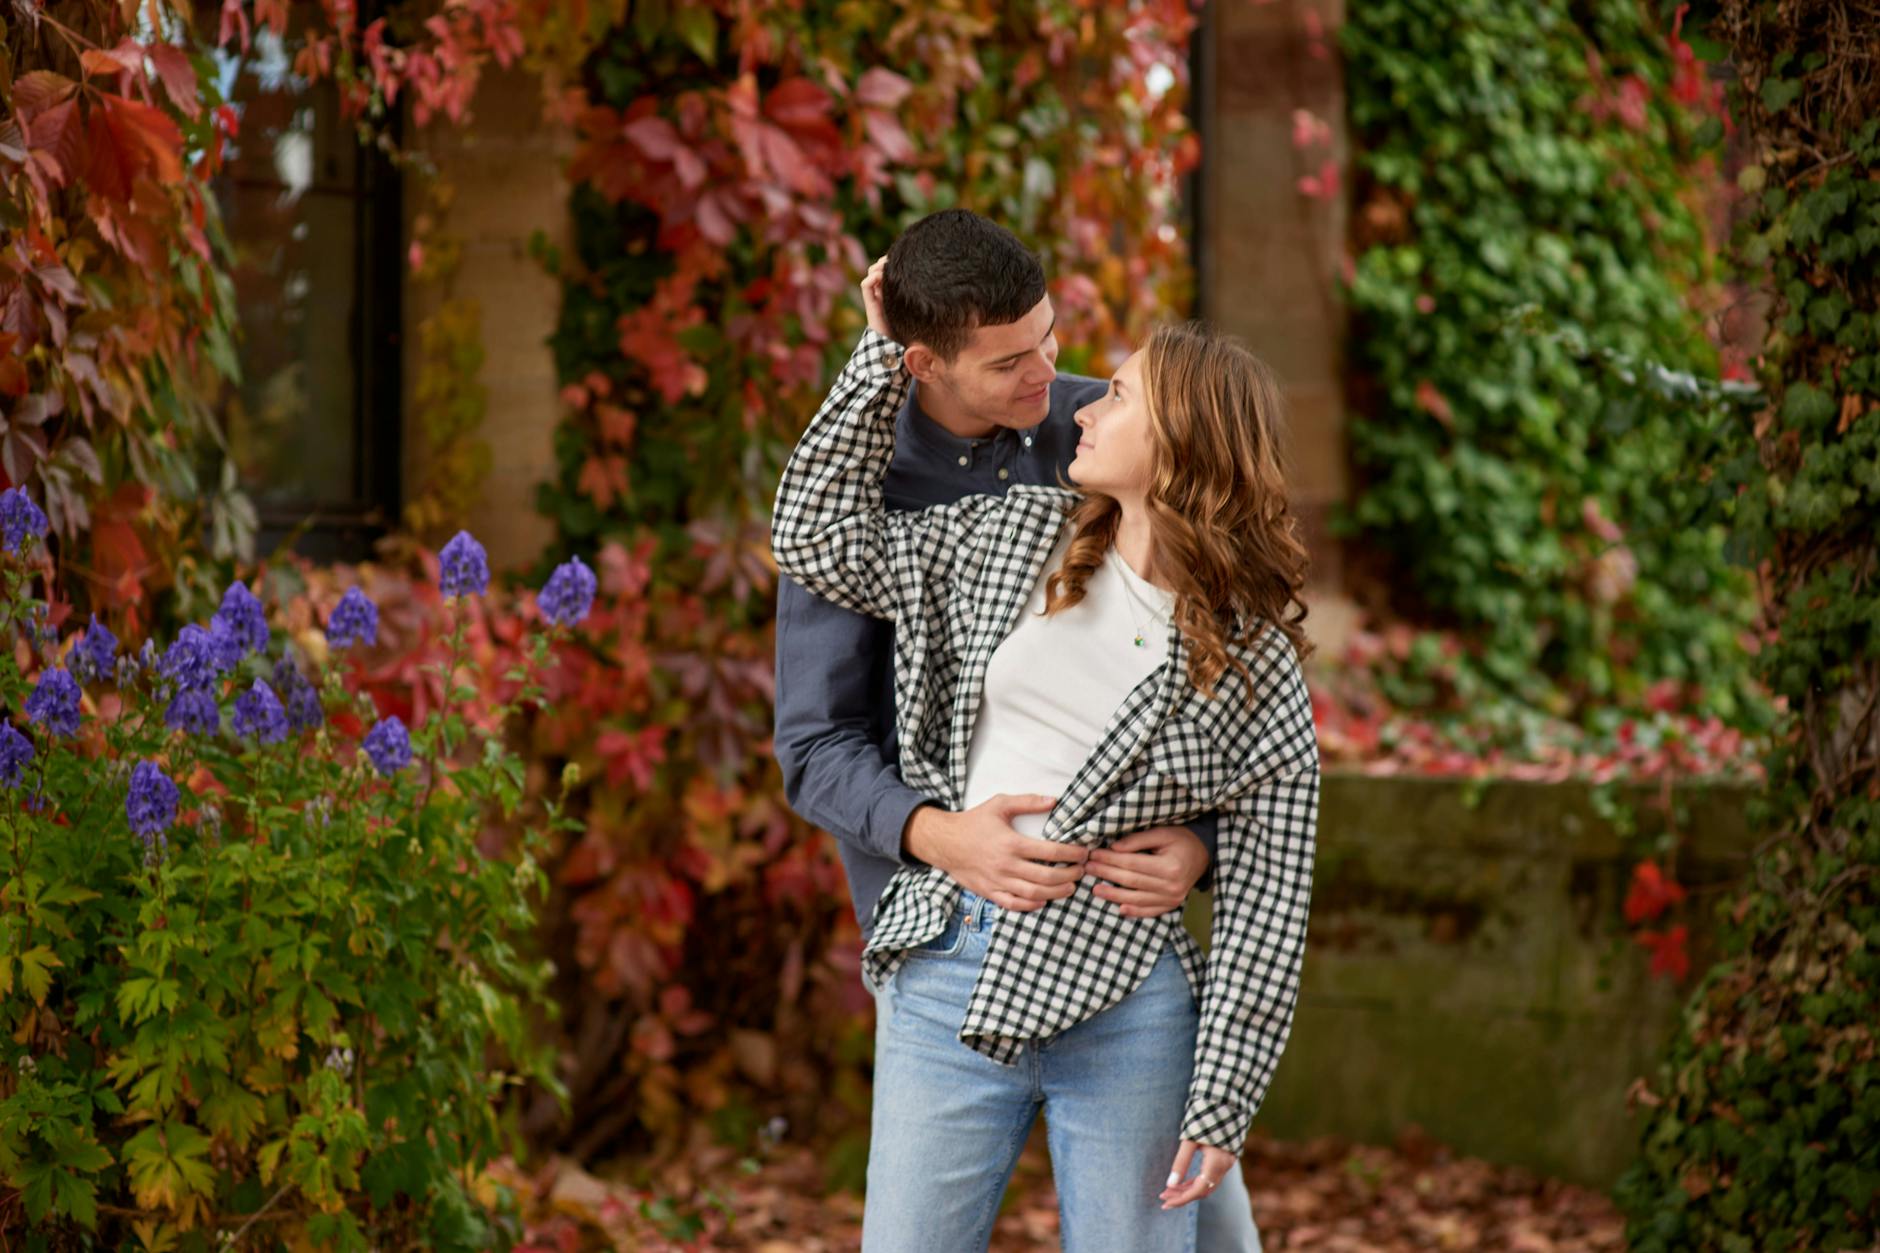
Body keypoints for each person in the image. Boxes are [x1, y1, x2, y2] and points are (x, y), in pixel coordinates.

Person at [770, 226, 1320, 1252]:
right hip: (949, 946)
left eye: (1092, 376)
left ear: (1181, 445)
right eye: (1013, 361)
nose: (1066, 390)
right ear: (926, 364)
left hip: (1124, 978)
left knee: (1197, 1221)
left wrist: (1198, 843)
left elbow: (1267, 892)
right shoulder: (1010, 531)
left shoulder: (1249, 659)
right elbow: (814, 664)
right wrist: (939, 836)